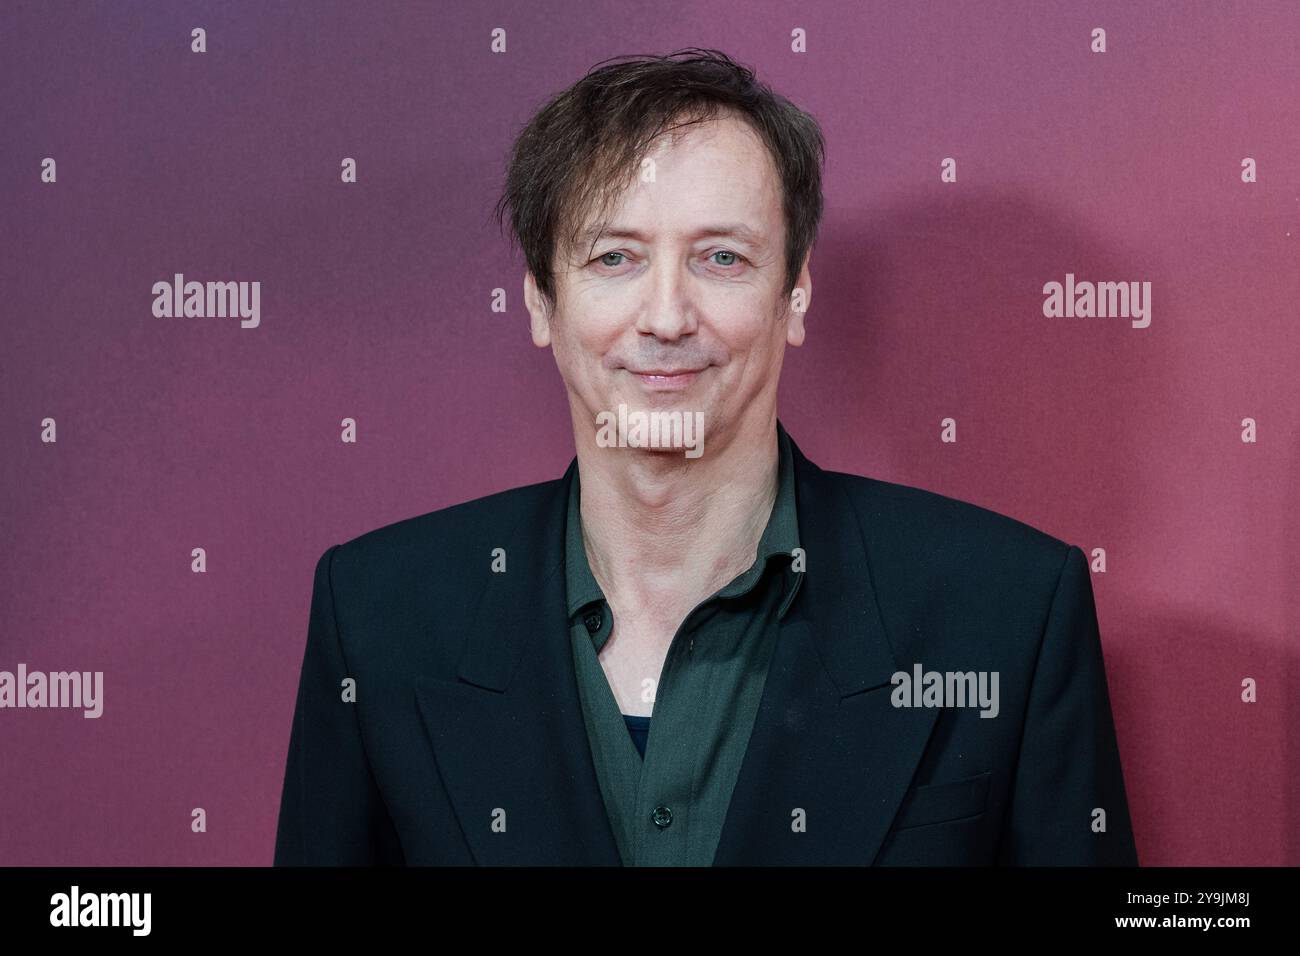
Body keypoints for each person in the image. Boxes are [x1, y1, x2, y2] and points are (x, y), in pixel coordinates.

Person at [273, 48, 1138, 866]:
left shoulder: (1008, 612)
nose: (666, 316)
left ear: (794, 295)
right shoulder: (380, 616)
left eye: (721, 258)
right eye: (615, 257)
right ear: (542, 302)